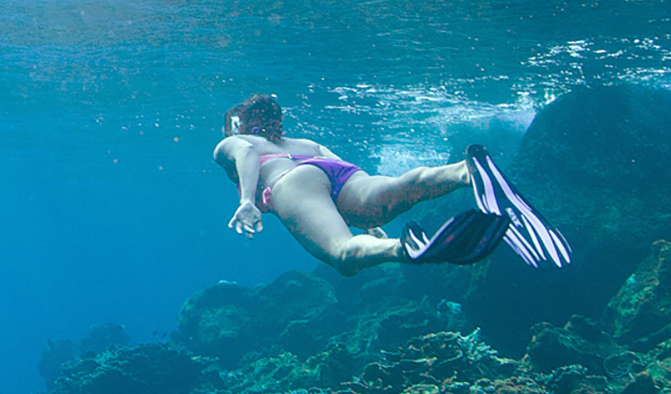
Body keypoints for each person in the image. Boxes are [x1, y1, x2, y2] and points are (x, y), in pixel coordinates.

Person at [213, 93, 518, 272]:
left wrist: (247, 202)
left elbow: (248, 152)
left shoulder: (233, 142)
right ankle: (464, 171)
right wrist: (364, 219)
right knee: (399, 189)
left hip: (291, 181)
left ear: (236, 124)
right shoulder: (306, 142)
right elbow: (338, 169)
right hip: (334, 169)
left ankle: (401, 249)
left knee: (343, 255)